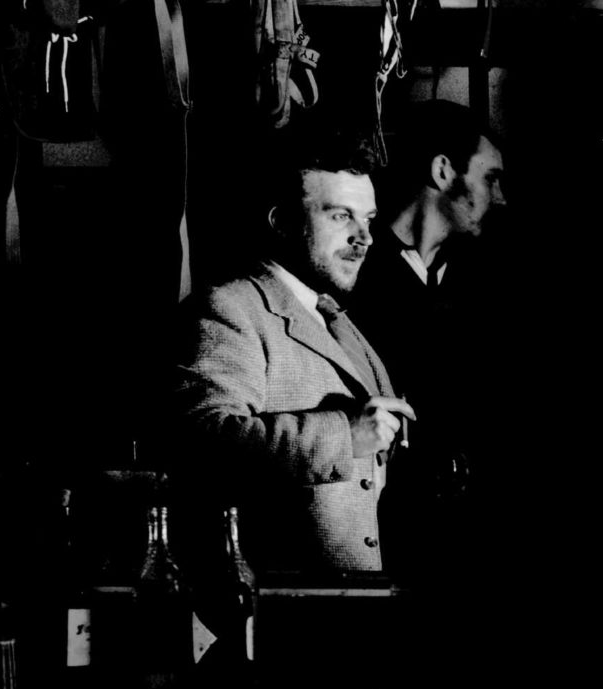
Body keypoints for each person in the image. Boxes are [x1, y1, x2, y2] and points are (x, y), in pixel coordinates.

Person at [172, 141, 409, 572]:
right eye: (341, 216)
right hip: (279, 602)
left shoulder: (334, 318)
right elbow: (202, 443)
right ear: (282, 222)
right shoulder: (231, 307)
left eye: (368, 219)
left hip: (358, 598)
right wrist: (345, 436)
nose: (365, 238)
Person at [349, 99, 506, 579]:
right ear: (442, 171)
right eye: (490, 179)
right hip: (382, 536)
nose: (500, 198)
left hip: (467, 540)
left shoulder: (485, 280)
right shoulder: (355, 277)